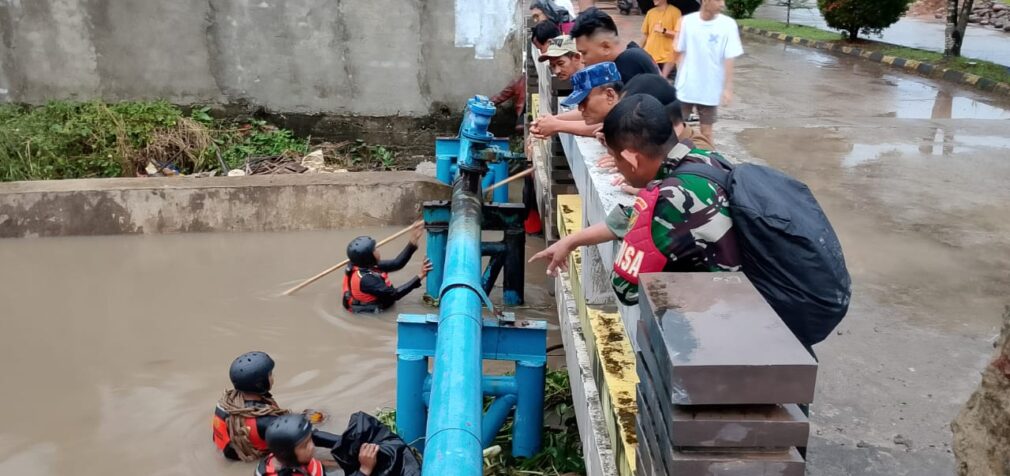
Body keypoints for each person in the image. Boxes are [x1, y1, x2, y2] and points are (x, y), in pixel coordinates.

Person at [529, 94, 739, 305]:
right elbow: (637, 217)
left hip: (725, 313)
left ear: (631, 159)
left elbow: (626, 289)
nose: (617, 166)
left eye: (615, 158)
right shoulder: (707, 159)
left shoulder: (669, 199)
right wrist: (572, 240)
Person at [213, 352, 342, 462]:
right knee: (328, 463)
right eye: (269, 375)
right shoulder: (265, 420)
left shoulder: (226, 403)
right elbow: (310, 436)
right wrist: (344, 441)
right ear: (260, 383)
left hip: (227, 450)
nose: (273, 377)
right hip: (251, 458)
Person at [674, 0, 743, 144]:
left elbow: (729, 58)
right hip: (686, 88)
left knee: (707, 132)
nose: (722, 4)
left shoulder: (728, 25)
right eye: (718, 0)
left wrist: (728, 88)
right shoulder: (687, 22)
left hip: (710, 89)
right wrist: (680, 79)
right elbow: (679, 52)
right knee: (676, 129)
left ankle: (710, 163)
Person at [342, 224, 432, 314]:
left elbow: (397, 264)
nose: (378, 250)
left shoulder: (365, 264)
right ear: (369, 257)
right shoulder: (367, 280)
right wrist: (421, 275)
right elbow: (395, 294)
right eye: (374, 250)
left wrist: (413, 241)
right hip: (370, 310)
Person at [256, 414, 380, 476]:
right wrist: (364, 469)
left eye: (310, 440)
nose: (312, 446)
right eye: (305, 445)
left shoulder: (281, 456)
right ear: (288, 453)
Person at [570, 7, 658, 83]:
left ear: (605, 47)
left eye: (584, 53)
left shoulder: (628, 65)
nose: (582, 60)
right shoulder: (633, 55)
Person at [640, 0, 682, 78]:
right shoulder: (650, 13)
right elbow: (645, 35)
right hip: (650, 58)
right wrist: (639, 50)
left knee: (669, 88)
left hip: (667, 59)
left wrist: (663, 30)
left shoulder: (675, 12)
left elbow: (679, 35)